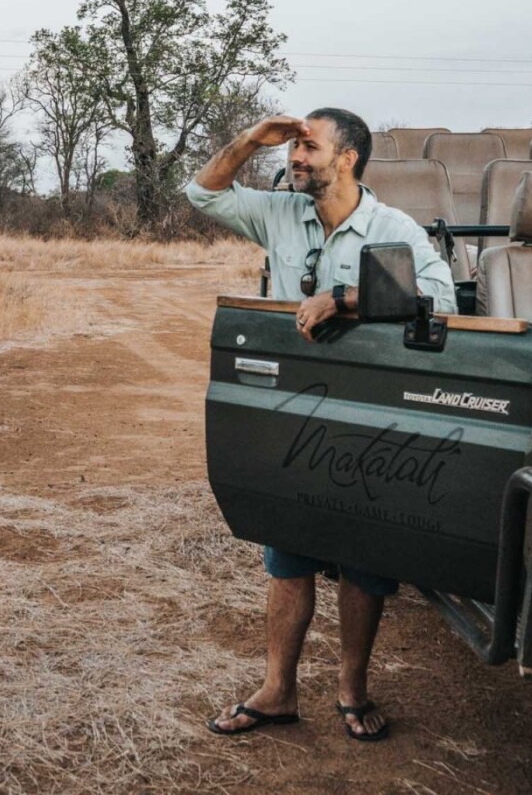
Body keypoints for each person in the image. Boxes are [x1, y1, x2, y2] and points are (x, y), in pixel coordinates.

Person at [185, 108, 456, 742]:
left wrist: (346, 299)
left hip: (371, 411)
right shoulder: (281, 213)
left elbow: (441, 298)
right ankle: (277, 691)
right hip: (293, 408)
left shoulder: (391, 228)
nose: (295, 157)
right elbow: (203, 191)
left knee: (364, 556)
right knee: (288, 551)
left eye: (309, 147)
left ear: (348, 158)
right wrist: (253, 137)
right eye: (293, 148)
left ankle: (351, 691)